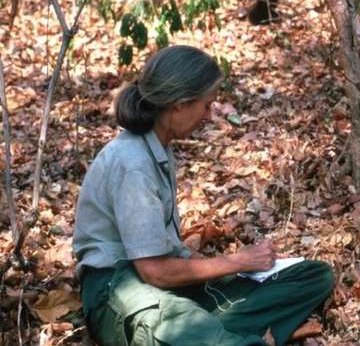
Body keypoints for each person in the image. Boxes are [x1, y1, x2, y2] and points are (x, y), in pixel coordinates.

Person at [72, 45, 334, 346]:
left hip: (158, 280)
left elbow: (165, 255)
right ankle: (215, 335)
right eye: (206, 106)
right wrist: (238, 262)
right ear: (180, 105)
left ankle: (208, 330)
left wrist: (254, 267)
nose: (209, 116)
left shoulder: (160, 146)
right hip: (116, 289)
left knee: (313, 276)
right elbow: (154, 272)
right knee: (198, 330)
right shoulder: (133, 163)